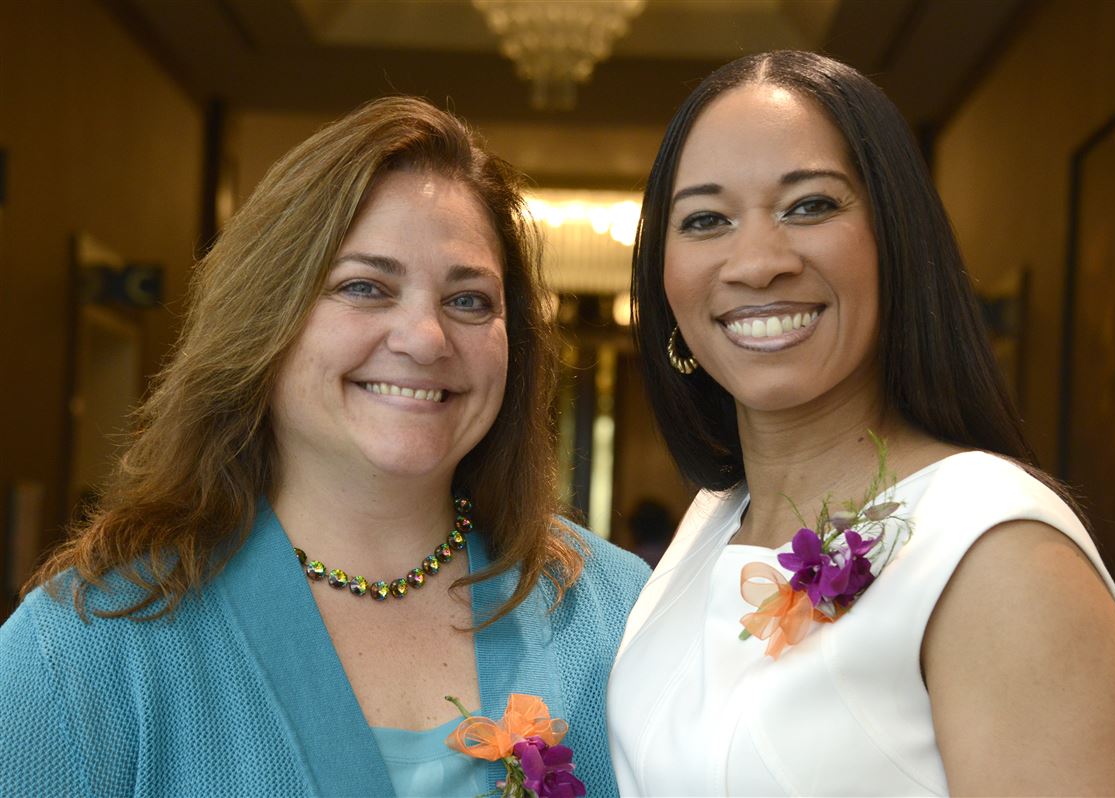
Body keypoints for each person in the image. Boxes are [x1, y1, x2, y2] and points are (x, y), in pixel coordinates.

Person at [0, 96, 649, 797]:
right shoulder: (83, 646)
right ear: (263, 323)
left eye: (469, 301)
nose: (426, 338)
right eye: (365, 287)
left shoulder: (619, 614)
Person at [607, 50, 1115, 796]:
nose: (756, 262)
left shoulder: (992, 546)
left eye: (811, 205)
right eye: (704, 219)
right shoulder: (710, 527)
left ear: (896, 239)